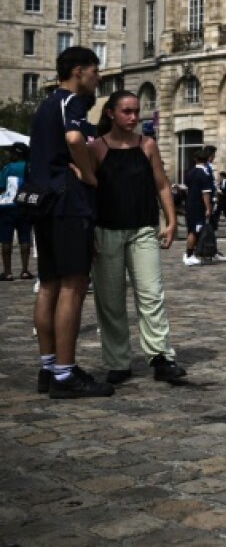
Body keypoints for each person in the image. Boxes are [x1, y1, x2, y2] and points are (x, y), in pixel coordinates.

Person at [29, 46, 111, 398]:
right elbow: (75, 138)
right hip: (68, 203)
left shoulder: (45, 105)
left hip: (43, 201)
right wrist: (89, 175)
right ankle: (65, 373)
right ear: (79, 71)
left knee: (48, 284)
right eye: (95, 71)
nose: (98, 78)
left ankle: (49, 367)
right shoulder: (71, 102)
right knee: (73, 285)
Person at [88, 91, 186, 385]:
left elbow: (162, 185)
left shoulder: (147, 145)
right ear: (111, 113)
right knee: (110, 300)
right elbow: (87, 192)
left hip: (143, 229)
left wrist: (171, 221)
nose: (133, 117)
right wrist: (87, 231)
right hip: (106, 230)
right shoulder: (97, 147)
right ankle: (118, 361)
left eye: (136, 111)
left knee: (151, 294)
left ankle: (161, 357)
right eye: (126, 112)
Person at [0, 142, 34, 281]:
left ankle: (7, 272)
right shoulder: (29, 167)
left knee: (6, 240)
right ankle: (25, 271)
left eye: (11, 152)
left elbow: (1, 186)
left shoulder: (8, 168)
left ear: (16, 154)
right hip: (25, 206)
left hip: (7, 208)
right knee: (25, 238)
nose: (9, 154)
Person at [182, 149, 216, 266]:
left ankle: (191, 253)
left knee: (191, 228)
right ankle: (189, 255)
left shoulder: (189, 173)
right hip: (198, 205)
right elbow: (205, 193)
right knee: (195, 230)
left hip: (190, 203)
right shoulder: (204, 174)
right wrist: (208, 208)